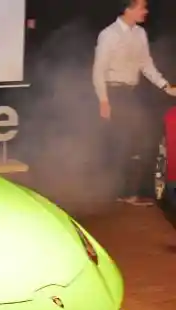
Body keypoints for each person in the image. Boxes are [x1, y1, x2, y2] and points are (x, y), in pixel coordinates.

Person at [92, 0, 176, 206]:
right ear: (128, 9)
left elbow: (146, 65)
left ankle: (126, 192)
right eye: (141, 7)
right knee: (122, 143)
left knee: (136, 141)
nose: (145, 11)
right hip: (114, 92)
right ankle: (120, 193)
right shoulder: (109, 34)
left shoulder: (140, 34)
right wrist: (104, 100)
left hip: (130, 92)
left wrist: (166, 87)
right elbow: (98, 70)